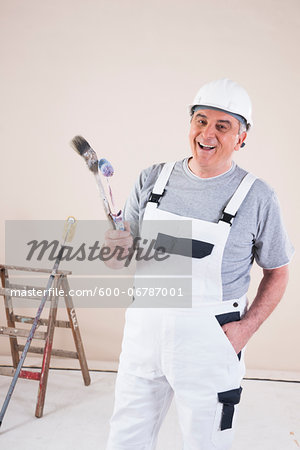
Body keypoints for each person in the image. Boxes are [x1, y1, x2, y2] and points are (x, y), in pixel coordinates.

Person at [104, 78, 294, 450]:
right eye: (201, 121)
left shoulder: (257, 197)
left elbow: (278, 271)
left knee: (206, 442)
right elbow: (120, 259)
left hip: (210, 343)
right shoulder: (152, 179)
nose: (207, 133)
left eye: (223, 126)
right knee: (125, 437)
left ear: (242, 137)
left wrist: (246, 329)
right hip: (145, 335)